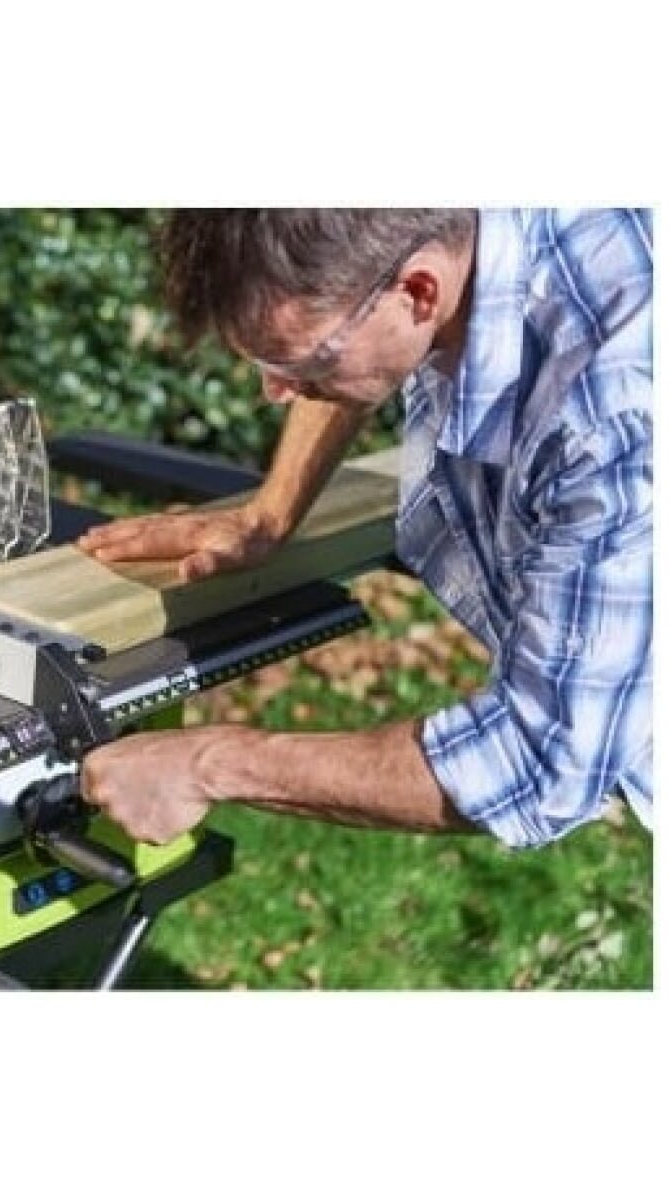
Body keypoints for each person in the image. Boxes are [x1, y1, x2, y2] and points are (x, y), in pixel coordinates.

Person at [77, 209, 652, 851]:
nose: (276, 391)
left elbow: (538, 761)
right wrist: (271, 513)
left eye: (304, 361)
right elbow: (342, 320)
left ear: (419, 292)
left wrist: (208, 765)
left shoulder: (616, 425)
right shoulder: (441, 226)